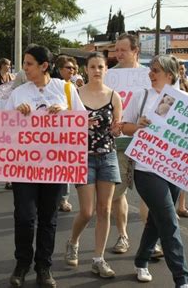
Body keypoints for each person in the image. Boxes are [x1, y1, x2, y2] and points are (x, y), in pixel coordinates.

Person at [7, 44, 86, 288]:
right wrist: (18, 114)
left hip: (55, 165)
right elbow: (4, 127)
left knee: (48, 218)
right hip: (24, 166)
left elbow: (81, 123)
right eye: (24, 64)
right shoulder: (18, 93)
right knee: (24, 216)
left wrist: (65, 111)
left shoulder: (66, 89)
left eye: (29, 64)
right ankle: (22, 263)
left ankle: (44, 266)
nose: (25, 68)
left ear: (44, 66)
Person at [122, 55, 188, 287]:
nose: (150, 74)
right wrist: (137, 125)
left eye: (156, 70)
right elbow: (123, 126)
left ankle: (141, 260)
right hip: (146, 170)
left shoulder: (185, 100)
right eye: (150, 69)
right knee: (169, 222)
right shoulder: (141, 97)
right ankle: (182, 280)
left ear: (169, 75)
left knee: (156, 220)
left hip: (174, 170)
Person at [64, 52, 122, 278]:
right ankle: (73, 241)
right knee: (87, 211)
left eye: (101, 66)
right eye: (93, 67)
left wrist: (118, 129)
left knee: (105, 209)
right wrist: (79, 123)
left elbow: (117, 127)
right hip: (82, 157)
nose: (97, 70)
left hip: (107, 156)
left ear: (106, 69)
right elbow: (64, 127)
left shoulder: (114, 96)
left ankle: (99, 259)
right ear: (85, 69)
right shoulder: (75, 95)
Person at [109, 33, 144, 255]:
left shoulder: (149, 75)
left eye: (123, 50)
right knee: (117, 193)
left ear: (135, 51)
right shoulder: (109, 76)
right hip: (119, 142)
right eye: (116, 50)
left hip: (146, 143)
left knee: (149, 194)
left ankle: (152, 241)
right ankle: (123, 236)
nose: (118, 54)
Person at [54, 55, 79, 212]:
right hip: (52, 133)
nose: (72, 71)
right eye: (68, 68)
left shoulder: (73, 87)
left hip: (68, 132)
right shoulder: (53, 86)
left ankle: (63, 199)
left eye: (74, 68)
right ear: (59, 69)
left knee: (65, 167)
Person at [176, 60, 188, 218]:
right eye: (179, 69)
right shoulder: (170, 84)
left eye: (183, 69)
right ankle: (169, 207)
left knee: (183, 170)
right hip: (172, 129)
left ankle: (181, 206)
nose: (181, 72)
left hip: (185, 129)